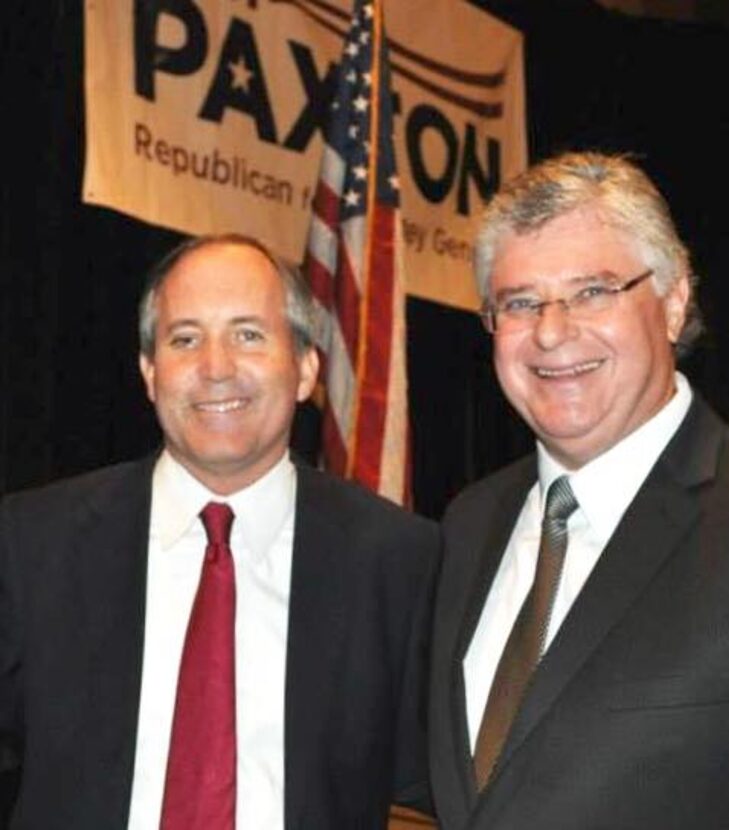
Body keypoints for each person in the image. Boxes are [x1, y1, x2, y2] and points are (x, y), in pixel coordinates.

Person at [429, 151, 729, 829]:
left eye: (592, 292)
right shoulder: (470, 525)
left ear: (674, 304)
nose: (552, 333)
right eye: (520, 303)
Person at [0, 234, 439, 829]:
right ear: (151, 373)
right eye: (185, 339)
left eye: (248, 334)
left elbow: (434, 790)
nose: (215, 368)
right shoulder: (31, 546)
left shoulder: (400, 562)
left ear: (307, 368)